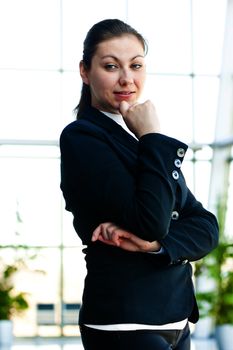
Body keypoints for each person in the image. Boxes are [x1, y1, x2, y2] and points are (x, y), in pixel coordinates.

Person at [60, 19, 219, 350]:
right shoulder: (83, 139)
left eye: (136, 65)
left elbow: (205, 226)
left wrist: (155, 246)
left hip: (175, 319)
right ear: (85, 72)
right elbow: (150, 221)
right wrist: (152, 136)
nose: (126, 79)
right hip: (125, 323)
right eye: (110, 66)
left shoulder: (136, 143)